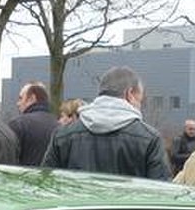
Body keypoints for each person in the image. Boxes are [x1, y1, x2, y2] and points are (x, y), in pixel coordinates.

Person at [41, 66, 170, 179]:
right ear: (129, 94)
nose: (139, 106)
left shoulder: (62, 135)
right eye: (140, 100)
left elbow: (47, 183)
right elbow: (162, 193)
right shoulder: (150, 139)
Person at [8, 81, 56, 166]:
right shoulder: (60, 127)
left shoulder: (18, 124)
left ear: (32, 98)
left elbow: (8, 160)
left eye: (20, 98)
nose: (17, 103)